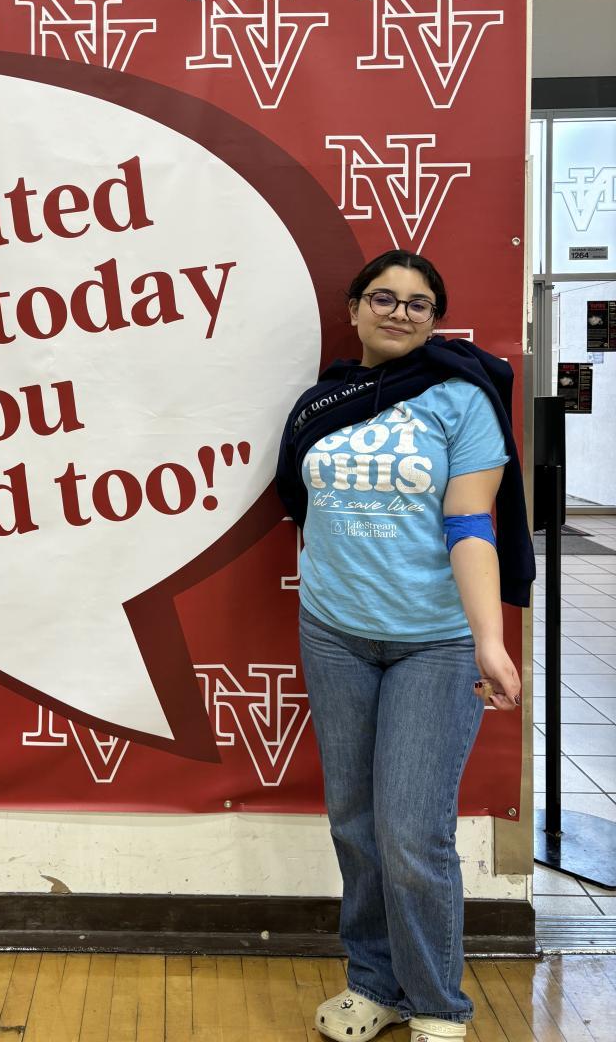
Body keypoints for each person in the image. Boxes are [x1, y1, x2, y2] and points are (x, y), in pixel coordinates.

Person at [275, 249, 534, 1042]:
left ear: (435, 320)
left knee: (411, 834)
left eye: (418, 303)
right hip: (335, 634)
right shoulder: (322, 403)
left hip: (435, 642)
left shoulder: (462, 398)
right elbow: (301, 504)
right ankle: (373, 984)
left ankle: (437, 1005)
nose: (399, 312)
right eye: (383, 298)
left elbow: (470, 524)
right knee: (355, 825)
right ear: (354, 309)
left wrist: (489, 640)